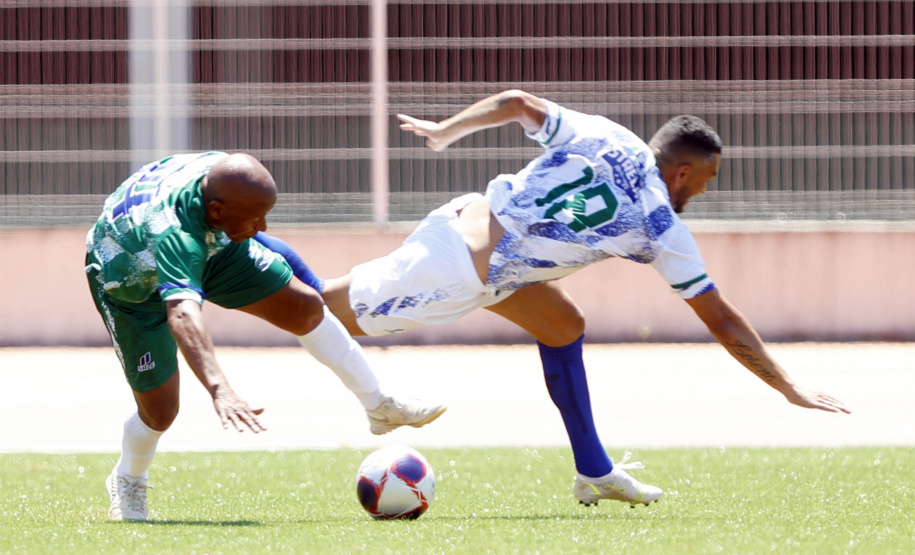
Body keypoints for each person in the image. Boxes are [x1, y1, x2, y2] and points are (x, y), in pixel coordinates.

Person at [292, 90, 849, 508]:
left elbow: (515, 101)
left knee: (562, 324)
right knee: (311, 310)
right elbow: (721, 318)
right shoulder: (660, 225)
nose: (703, 191)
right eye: (705, 180)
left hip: (483, 247)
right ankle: (242, 260)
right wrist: (788, 386)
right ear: (682, 171)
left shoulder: (607, 133)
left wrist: (445, 131)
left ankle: (594, 471)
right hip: (453, 266)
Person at [85, 152, 446, 522]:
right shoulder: (175, 233)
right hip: (131, 285)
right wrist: (218, 387)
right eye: (255, 217)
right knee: (161, 412)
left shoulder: (219, 176)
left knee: (305, 305)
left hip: (214, 248)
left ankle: (379, 404)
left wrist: (300, 274)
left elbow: (255, 234)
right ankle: (128, 477)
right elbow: (181, 313)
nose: (263, 227)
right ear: (216, 210)